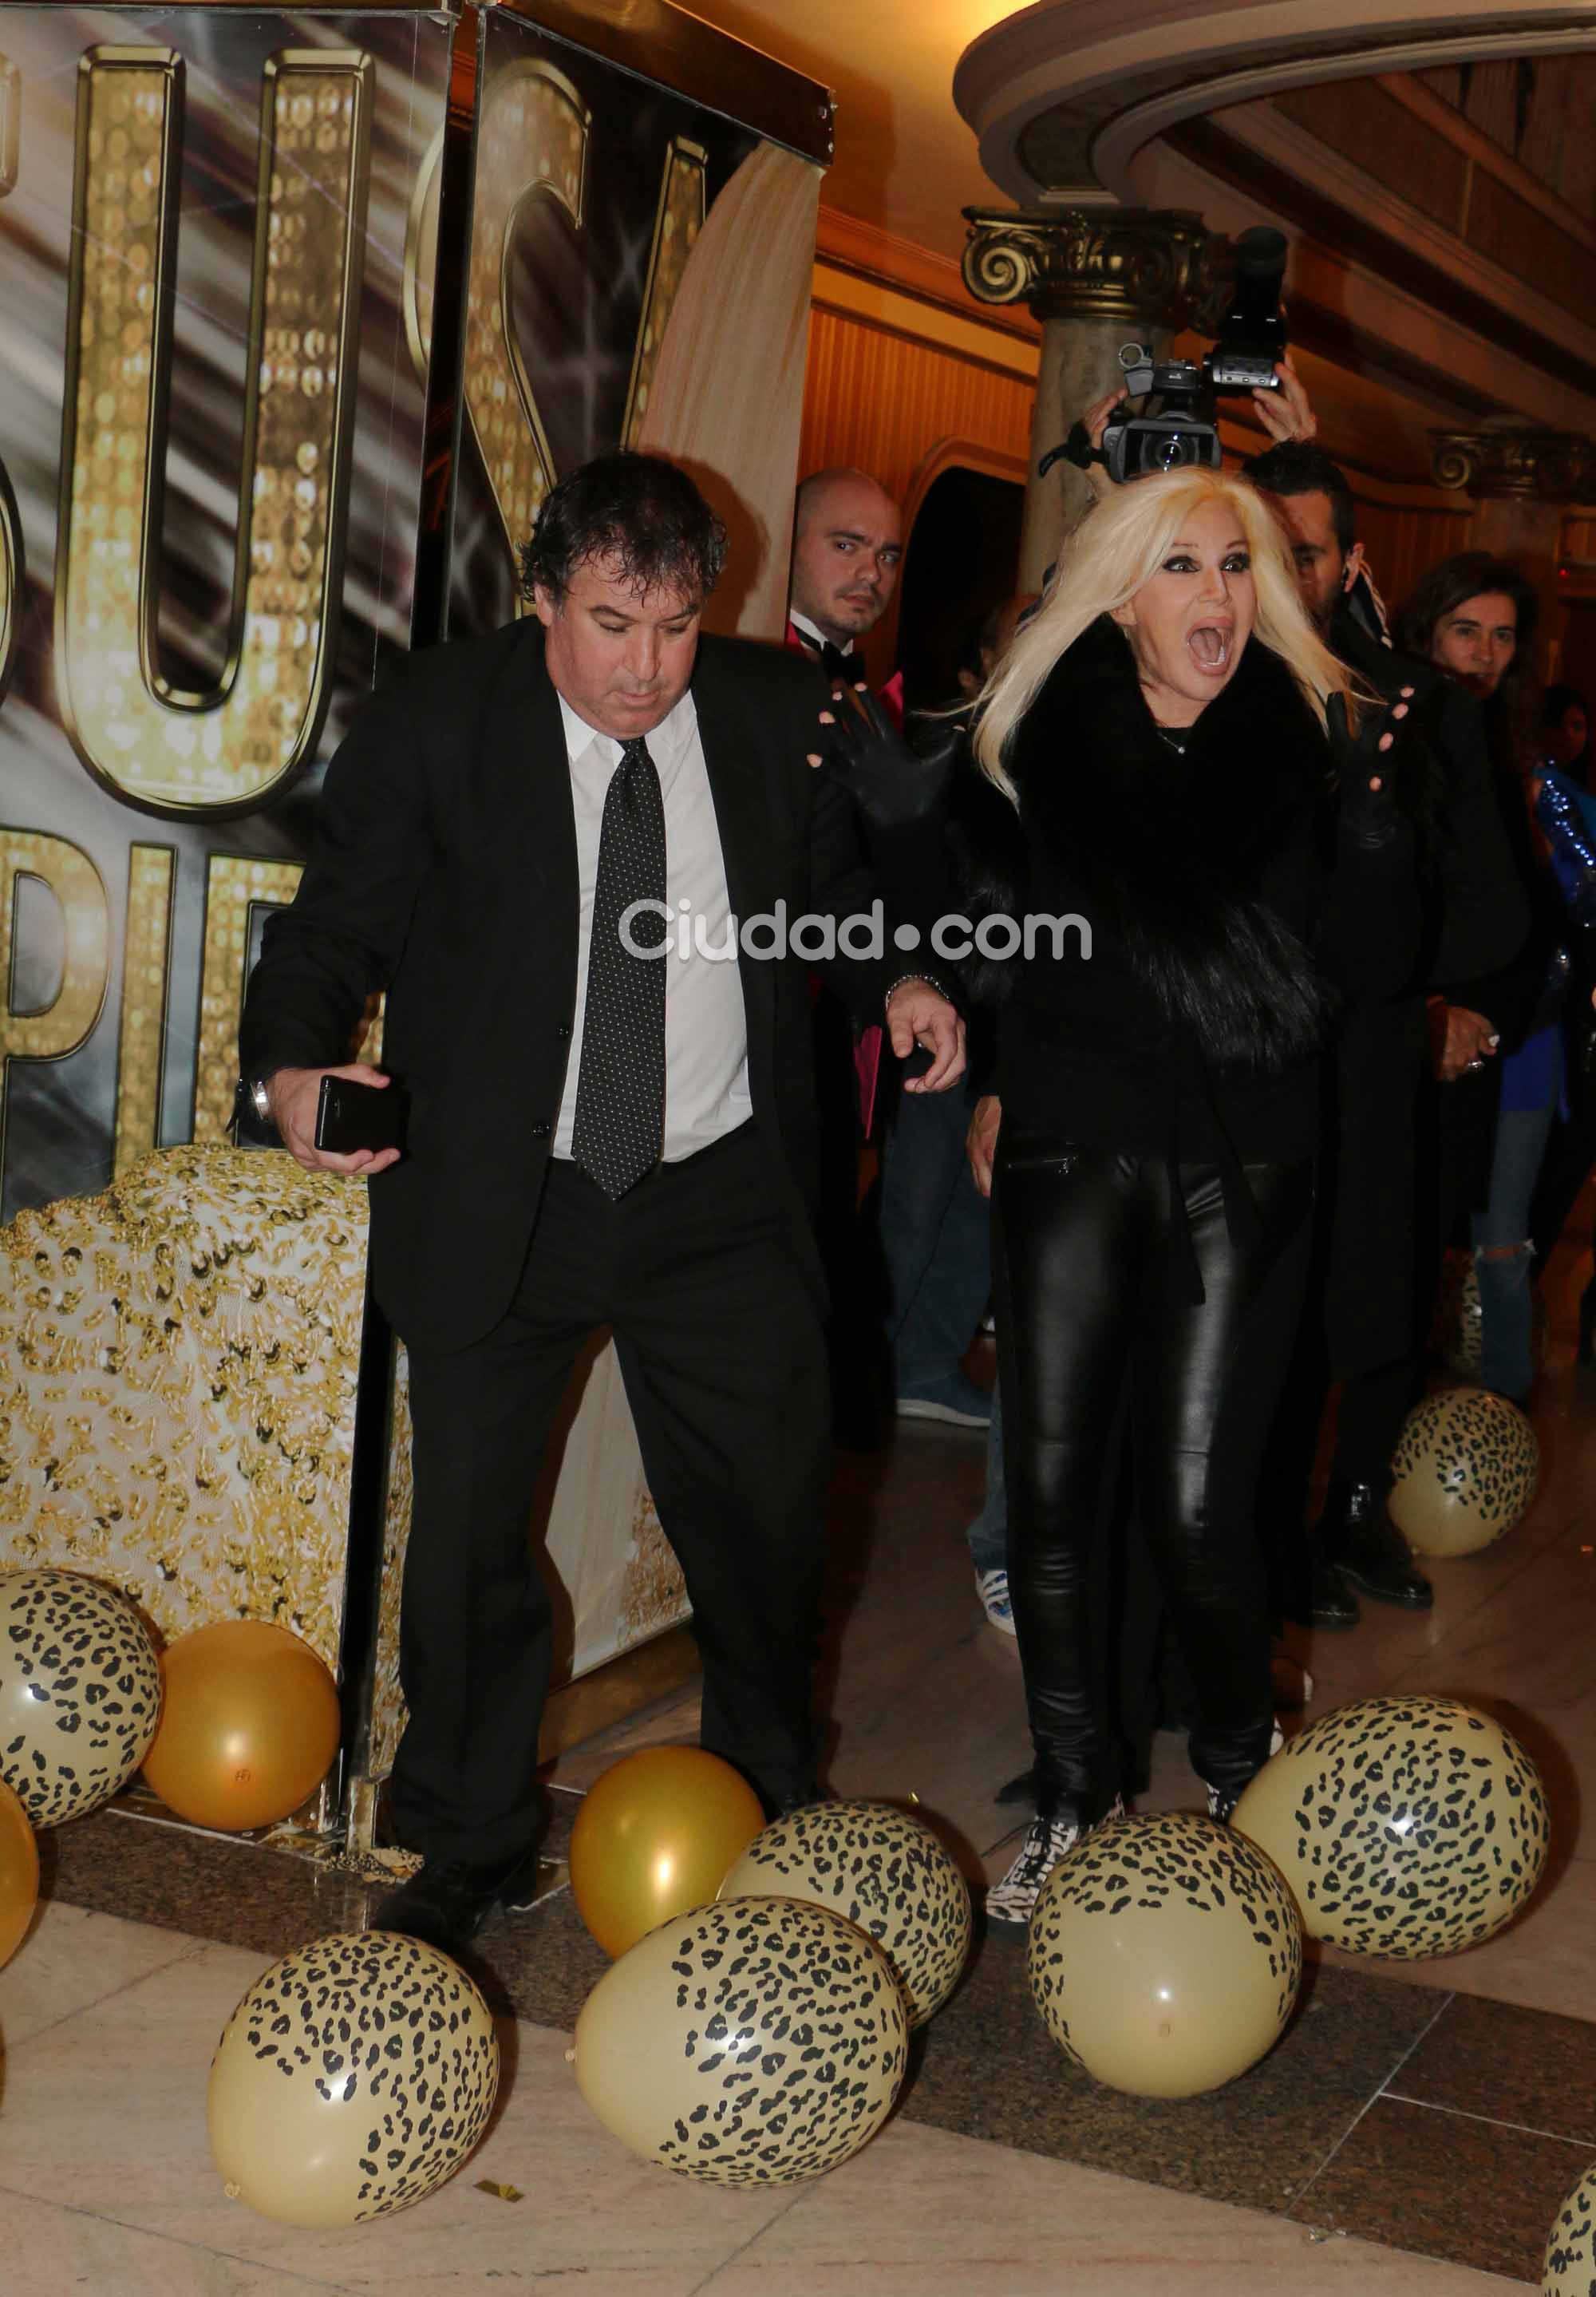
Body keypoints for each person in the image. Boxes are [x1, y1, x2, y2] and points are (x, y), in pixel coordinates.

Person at [239, 451, 962, 1952]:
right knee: (469, 1540)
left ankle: (768, 1793)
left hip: (721, 1192)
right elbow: (332, 929)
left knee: (764, 1521)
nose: (647, 669)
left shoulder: (772, 718)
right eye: (613, 624)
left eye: (678, 626)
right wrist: (293, 1075)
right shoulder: (444, 720)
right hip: (511, 1189)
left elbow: (842, 887)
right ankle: (470, 1831)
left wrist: (899, 972)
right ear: (547, 599)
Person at [816, 467, 1417, 1928]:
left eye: (1234, 566)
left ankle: (1234, 1763)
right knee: (1053, 1496)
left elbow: (1367, 968)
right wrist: (907, 823)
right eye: (1181, 567)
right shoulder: (1040, 741)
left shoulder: (1307, 734)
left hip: (1245, 1153)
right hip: (1071, 1141)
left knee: (1208, 1504)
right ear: (1118, 589)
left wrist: (1380, 821)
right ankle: (1075, 1796)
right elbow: (992, 941)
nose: (1214, 596)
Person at [1242, 441, 1528, 1627]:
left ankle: (1354, 1511)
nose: (1275, 576)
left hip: (1365, 1054)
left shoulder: (1413, 699)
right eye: (1263, 550)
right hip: (1239, 1063)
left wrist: (1440, 995)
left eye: (1300, 553)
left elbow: (1493, 896)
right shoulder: (1206, 674)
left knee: (1369, 1297)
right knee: (1258, 1310)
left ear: (1348, 559)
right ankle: (1257, 1538)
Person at [1397, 554, 1554, 1402]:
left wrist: (1478, 1022)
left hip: (1472, 1055)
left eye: (1500, 637)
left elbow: (1526, 924)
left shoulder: (1498, 755)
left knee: (1428, 1256)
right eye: (1465, 631)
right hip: (1389, 1043)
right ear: (1424, 633)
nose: (1483, 654)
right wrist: (1427, 1012)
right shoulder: (1393, 738)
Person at [785, 468, 907, 1443]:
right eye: (846, 544)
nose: (870, 571)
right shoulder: (751, 676)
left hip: (849, 997)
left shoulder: (873, 694)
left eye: (888, 554)